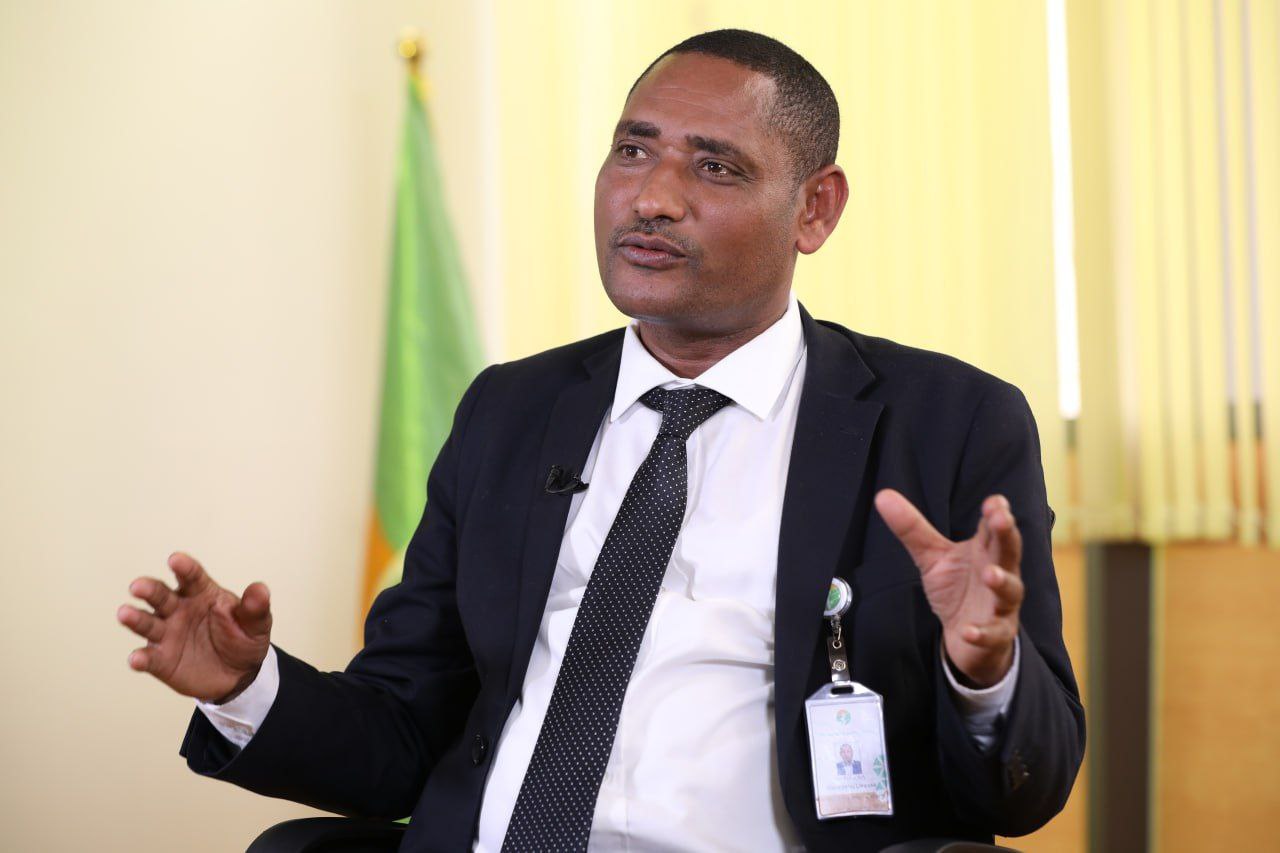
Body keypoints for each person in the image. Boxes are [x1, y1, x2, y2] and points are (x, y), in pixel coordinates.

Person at [118, 29, 1084, 852]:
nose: (651, 196)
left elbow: (1026, 790)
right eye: (632, 150)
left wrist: (985, 669)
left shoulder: (948, 422)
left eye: (714, 166)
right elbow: (405, 730)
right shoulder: (511, 409)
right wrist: (249, 686)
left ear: (815, 209)